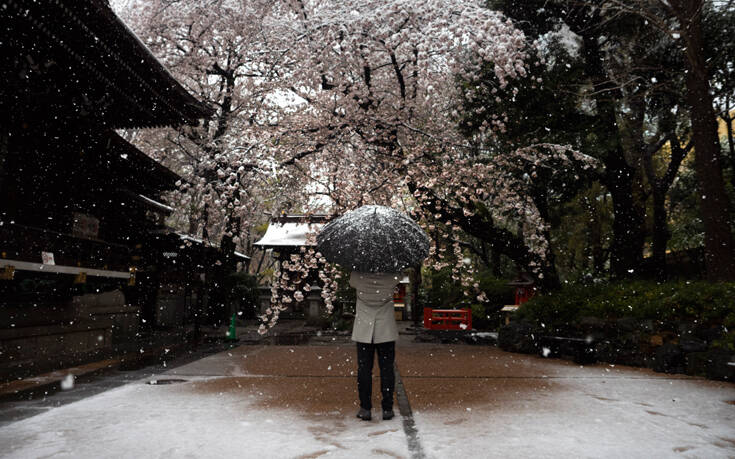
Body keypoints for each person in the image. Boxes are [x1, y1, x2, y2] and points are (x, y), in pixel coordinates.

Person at [349, 271, 400, 421]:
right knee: (387, 369)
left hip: (364, 329)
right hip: (386, 329)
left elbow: (351, 282)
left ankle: (365, 407)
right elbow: (399, 278)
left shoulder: (358, 276)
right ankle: (387, 408)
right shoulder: (391, 276)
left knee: (364, 369)